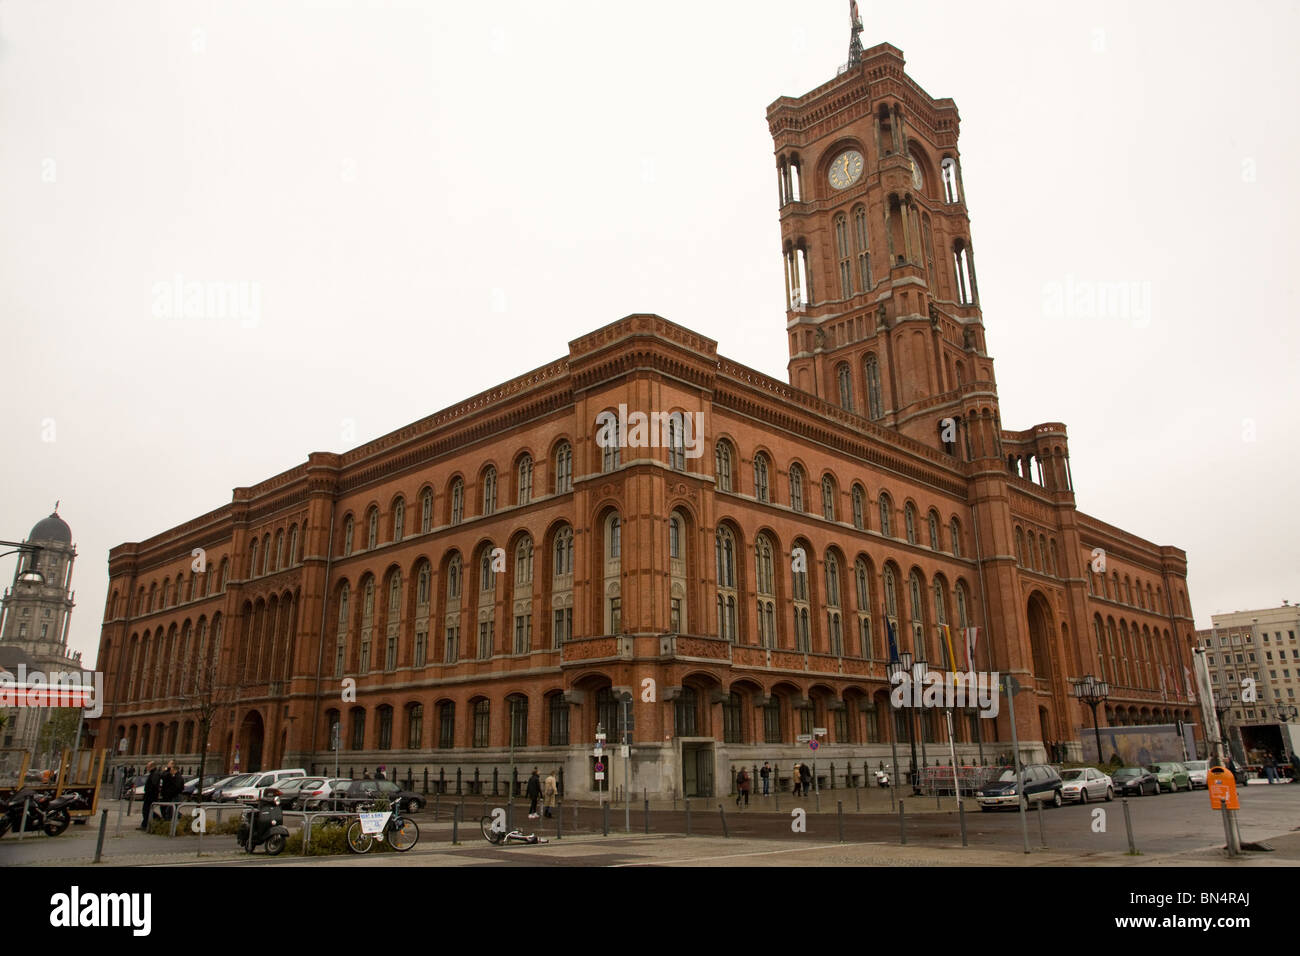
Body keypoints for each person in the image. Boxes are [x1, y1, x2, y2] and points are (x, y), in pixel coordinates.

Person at [140, 761, 160, 830]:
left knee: (146, 810)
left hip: (150, 796)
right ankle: (144, 824)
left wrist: (149, 792)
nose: (147, 768)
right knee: (147, 810)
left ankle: (158, 820)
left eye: (148, 766)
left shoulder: (155, 774)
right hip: (149, 796)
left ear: (152, 767)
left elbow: (153, 785)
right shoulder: (153, 773)